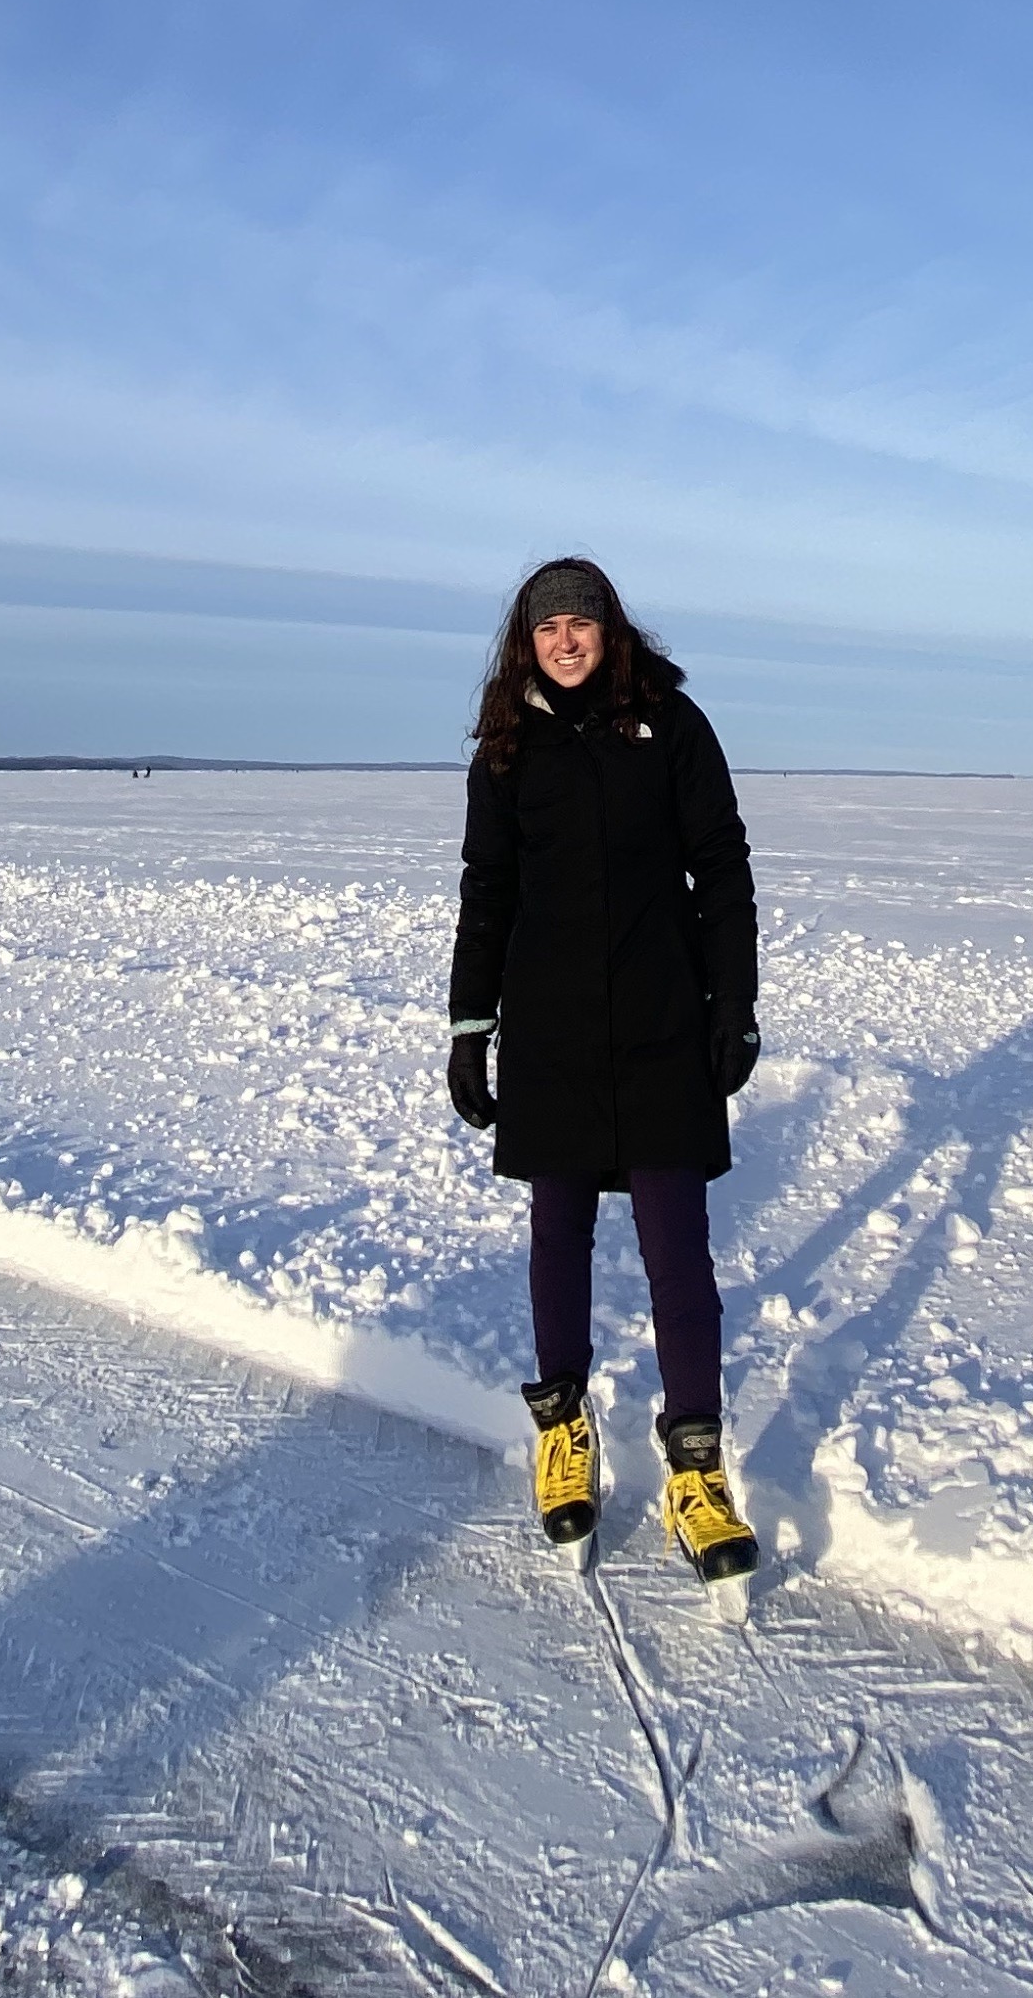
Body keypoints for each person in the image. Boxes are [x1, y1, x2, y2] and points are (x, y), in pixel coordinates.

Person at [445, 557, 762, 1588]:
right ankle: (564, 1427)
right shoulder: (506, 748)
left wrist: (735, 1006)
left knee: (679, 1249)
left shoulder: (671, 726)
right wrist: (468, 1028)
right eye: (548, 629)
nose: (566, 641)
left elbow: (720, 866)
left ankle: (698, 1470)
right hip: (554, 1031)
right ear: (524, 643)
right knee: (560, 1232)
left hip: (665, 1022)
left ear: (609, 630)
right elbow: (486, 890)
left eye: (581, 623)